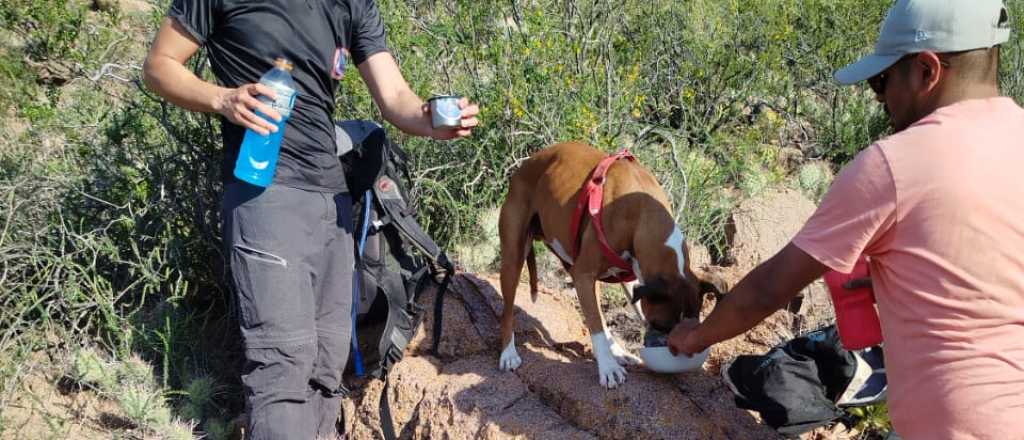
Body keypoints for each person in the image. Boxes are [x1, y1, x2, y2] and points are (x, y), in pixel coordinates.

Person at [666, 1, 1022, 438]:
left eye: (882, 80)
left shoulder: (894, 165)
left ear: (928, 71)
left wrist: (695, 337)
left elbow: (770, 287)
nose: (880, 98)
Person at [142, 1, 479, 438]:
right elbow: (159, 65)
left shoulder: (353, 5)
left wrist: (432, 120)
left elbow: (396, 99)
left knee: (326, 363)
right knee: (282, 363)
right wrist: (223, 99)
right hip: (265, 195)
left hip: (332, 202)